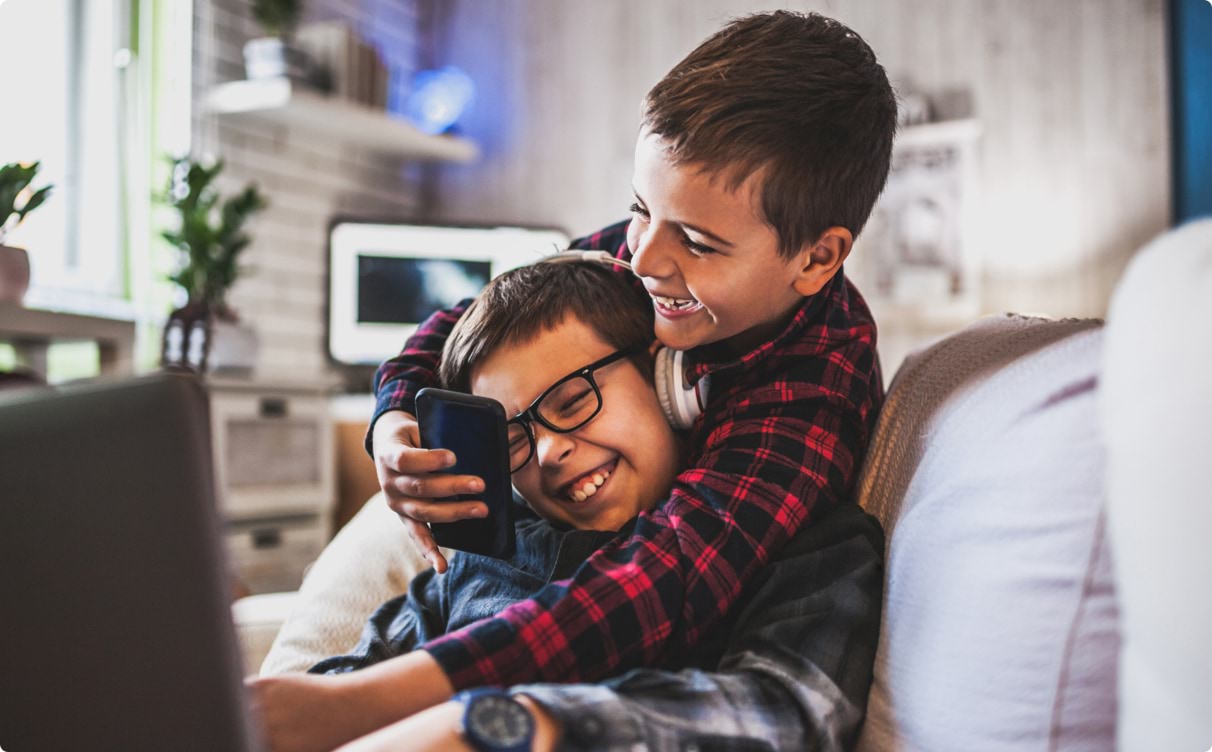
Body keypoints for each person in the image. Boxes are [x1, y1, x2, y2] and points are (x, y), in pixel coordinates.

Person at [367, 7, 895, 697]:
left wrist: (377, 702)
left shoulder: (817, 390)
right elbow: (457, 327)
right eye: (641, 208)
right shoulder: (648, 249)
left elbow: (660, 586)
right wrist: (391, 420)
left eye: (699, 244)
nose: (641, 259)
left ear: (817, 258)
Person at [251, 259, 885, 752]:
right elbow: (337, 695)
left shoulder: (807, 544)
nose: (549, 450)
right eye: (513, 438)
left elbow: (782, 714)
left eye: (574, 400)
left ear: (671, 386)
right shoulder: (474, 566)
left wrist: (512, 725)